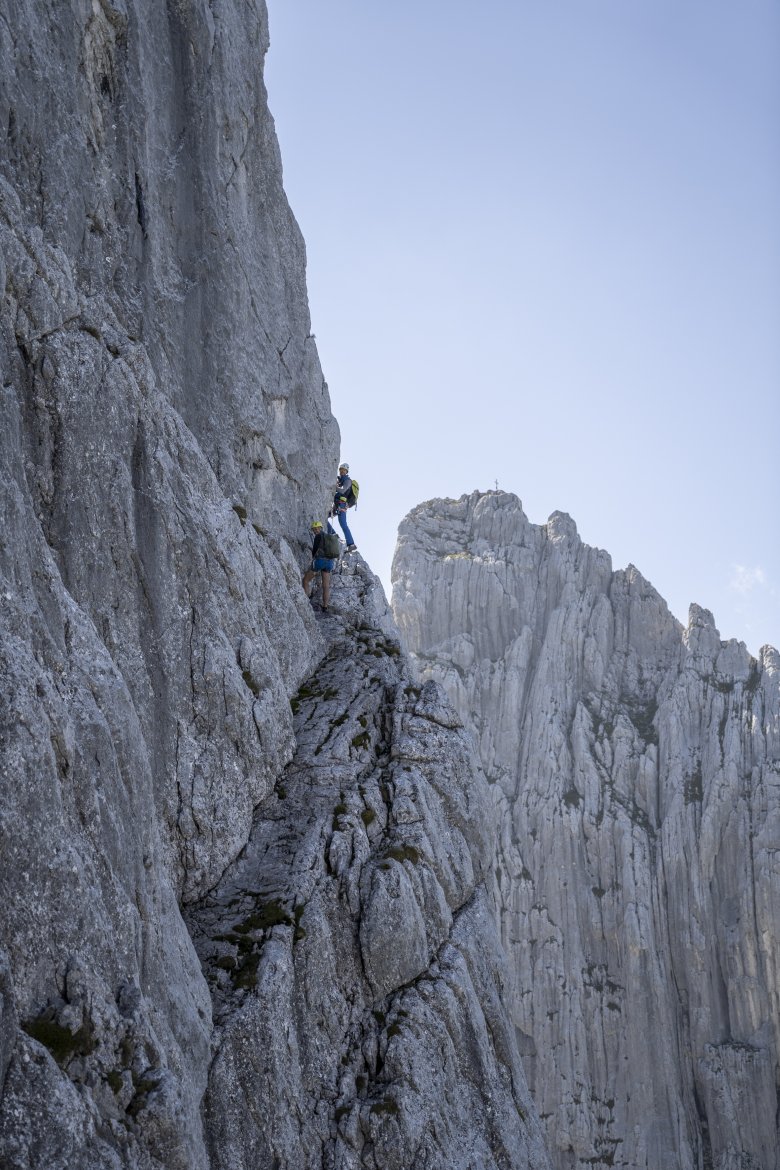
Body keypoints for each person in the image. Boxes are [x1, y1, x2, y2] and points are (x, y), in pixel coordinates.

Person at [302, 520, 336, 612]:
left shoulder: (318, 536)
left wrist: (311, 551)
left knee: (305, 580)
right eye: (314, 529)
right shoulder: (329, 537)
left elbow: (314, 551)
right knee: (326, 586)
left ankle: (305, 601)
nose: (315, 530)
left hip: (320, 561)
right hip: (329, 563)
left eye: (316, 529)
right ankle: (325, 606)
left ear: (319, 528)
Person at [331, 462, 357, 551]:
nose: (341, 471)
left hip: (342, 504)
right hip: (338, 504)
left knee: (343, 523)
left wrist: (333, 486)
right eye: (340, 470)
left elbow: (342, 491)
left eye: (343, 470)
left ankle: (351, 544)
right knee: (324, 516)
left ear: (346, 471)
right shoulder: (340, 480)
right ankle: (333, 534)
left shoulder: (347, 481)